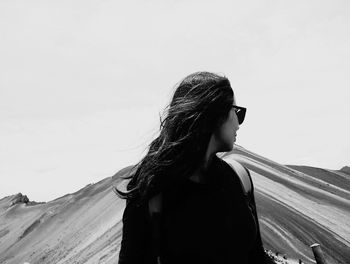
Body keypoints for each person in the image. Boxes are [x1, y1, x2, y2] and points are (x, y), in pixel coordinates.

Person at [115, 71, 274, 264]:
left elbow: (255, 257)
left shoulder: (239, 178)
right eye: (236, 111)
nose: (239, 123)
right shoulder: (151, 190)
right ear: (216, 113)